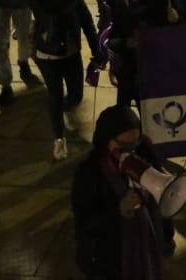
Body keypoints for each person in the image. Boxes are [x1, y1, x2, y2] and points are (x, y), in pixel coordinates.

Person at [72, 106, 173, 280]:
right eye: (124, 145)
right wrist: (118, 209)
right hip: (110, 261)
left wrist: (166, 236)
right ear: (107, 140)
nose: (131, 150)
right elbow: (84, 224)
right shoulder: (89, 172)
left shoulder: (144, 151)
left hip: (147, 247)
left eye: (135, 142)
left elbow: (162, 198)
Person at [30, 0, 99, 160]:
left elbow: (86, 21)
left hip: (70, 54)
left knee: (76, 94)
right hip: (47, 55)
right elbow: (50, 17)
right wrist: (71, 0)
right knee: (55, 95)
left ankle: (62, 110)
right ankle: (59, 138)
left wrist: (96, 50)